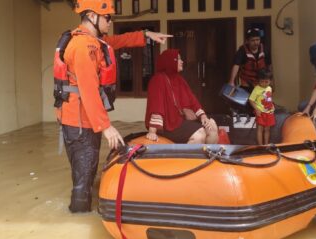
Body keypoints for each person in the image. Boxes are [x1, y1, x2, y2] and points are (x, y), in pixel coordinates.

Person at [56, 0, 172, 213]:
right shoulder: (82, 47)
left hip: (84, 121)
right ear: (92, 16)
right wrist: (106, 126)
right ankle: (79, 217)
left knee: (87, 172)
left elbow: (118, 41)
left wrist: (146, 35)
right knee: (83, 180)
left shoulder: (94, 41)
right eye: (107, 17)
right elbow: (89, 91)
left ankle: (81, 210)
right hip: (80, 123)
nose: (111, 21)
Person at [145, 49, 218, 144]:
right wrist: (152, 132)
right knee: (200, 135)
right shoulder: (158, 80)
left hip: (179, 122)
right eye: (178, 59)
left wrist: (203, 116)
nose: (182, 61)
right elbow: (156, 106)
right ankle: (189, 158)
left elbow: (192, 100)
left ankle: (209, 157)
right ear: (169, 61)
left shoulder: (179, 79)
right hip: (167, 126)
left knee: (212, 127)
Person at [228, 28, 273, 94]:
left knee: (261, 102)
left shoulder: (265, 49)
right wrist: (231, 81)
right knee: (247, 102)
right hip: (246, 83)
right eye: (253, 40)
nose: (256, 42)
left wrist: (271, 81)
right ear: (247, 41)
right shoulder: (242, 50)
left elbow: (269, 65)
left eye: (257, 40)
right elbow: (236, 65)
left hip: (262, 82)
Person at [249, 69, 275, 145]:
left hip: (269, 112)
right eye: (261, 81)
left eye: (266, 82)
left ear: (270, 81)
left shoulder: (269, 88)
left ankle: (266, 145)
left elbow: (269, 98)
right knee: (260, 129)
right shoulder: (256, 89)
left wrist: (272, 107)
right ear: (258, 80)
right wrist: (256, 109)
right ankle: (260, 146)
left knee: (267, 129)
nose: (264, 83)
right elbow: (251, 100)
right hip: (260, 112)